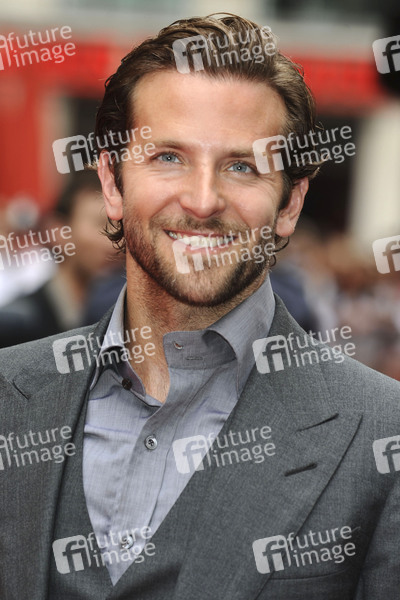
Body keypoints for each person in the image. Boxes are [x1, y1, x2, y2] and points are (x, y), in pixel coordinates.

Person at [1, 14, 399, 600]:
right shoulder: (9, 393)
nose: (203, 200)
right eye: (169, 157)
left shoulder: (382, 432)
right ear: (111, 183)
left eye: (242, 167)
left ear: (290, 204)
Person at [0, 170, 115, 347]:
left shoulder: (121, 320)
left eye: (120, 227)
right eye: (101, 225)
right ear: (59, 231)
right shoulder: (16, 325)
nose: (114, 242)